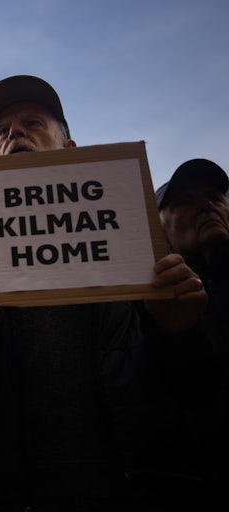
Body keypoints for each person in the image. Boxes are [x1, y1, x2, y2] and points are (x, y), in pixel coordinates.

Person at [0, 75, 208, 511]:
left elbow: (195, 391)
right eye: (2, 132)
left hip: (136, 489)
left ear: (71, 150)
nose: (14, 133)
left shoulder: (138, 238)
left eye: (33, 122)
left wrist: (177, 335)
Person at [153, 158, 229, 505]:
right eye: (184, 201)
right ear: (158, 228)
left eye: (215, 196)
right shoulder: (147, 311)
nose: (206, 206)